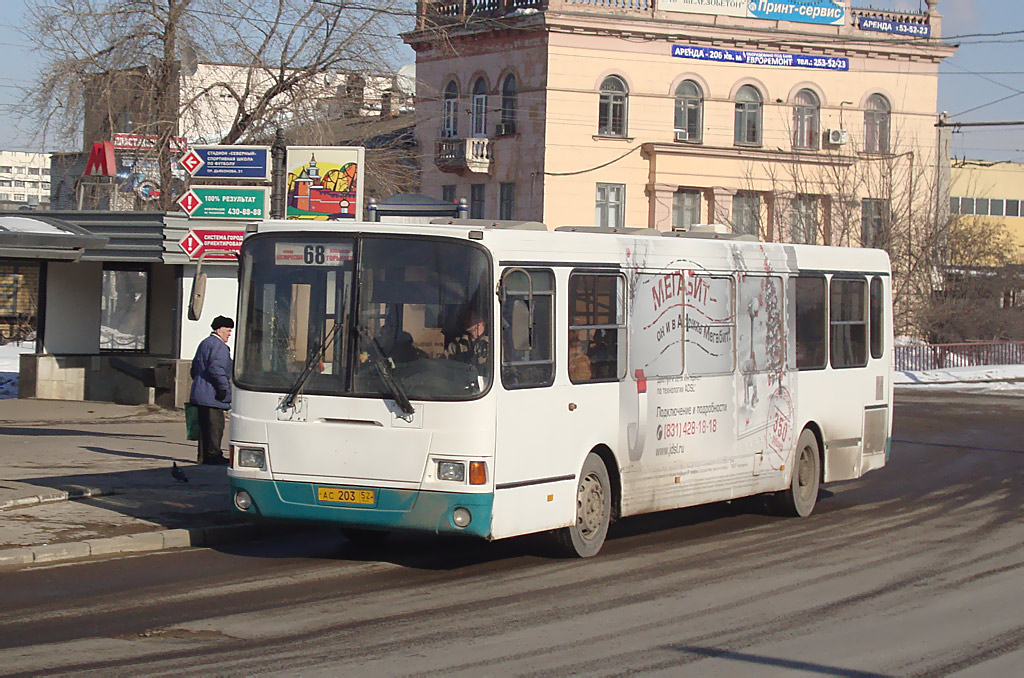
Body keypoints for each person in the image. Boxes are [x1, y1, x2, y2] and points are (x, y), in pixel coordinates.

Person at [189, 316, 233, 465]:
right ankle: (214, 455)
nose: (229, 334)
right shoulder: (219, 346)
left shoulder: (205, 343)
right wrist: (223, 388)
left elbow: (194, 369)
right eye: (228, 330)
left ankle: (203, 456)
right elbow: (217, 369)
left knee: (204, 427)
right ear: (219, 329)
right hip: (212, 394)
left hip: (200, 392)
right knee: (215, 426)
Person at [445, 308, 489, 374]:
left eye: (470, 318)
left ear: (481, 320)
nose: (466, 321)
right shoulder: (457, 343)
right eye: (465, 318)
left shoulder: (492, 343)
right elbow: (445, 365)